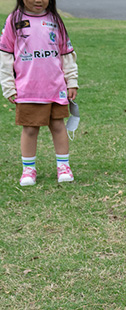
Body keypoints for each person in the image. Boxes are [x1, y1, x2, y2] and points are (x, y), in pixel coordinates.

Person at [0, 0, 78, 186]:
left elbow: (66, 53)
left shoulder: (55, 20)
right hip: (28, 89)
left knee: (58, 126)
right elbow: (5, 54)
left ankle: (63, 166)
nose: (38, 0)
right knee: (29, 128)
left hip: (55, 88)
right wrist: (8, 85)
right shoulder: (14, 20)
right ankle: (28, 169)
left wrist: (72, 81)